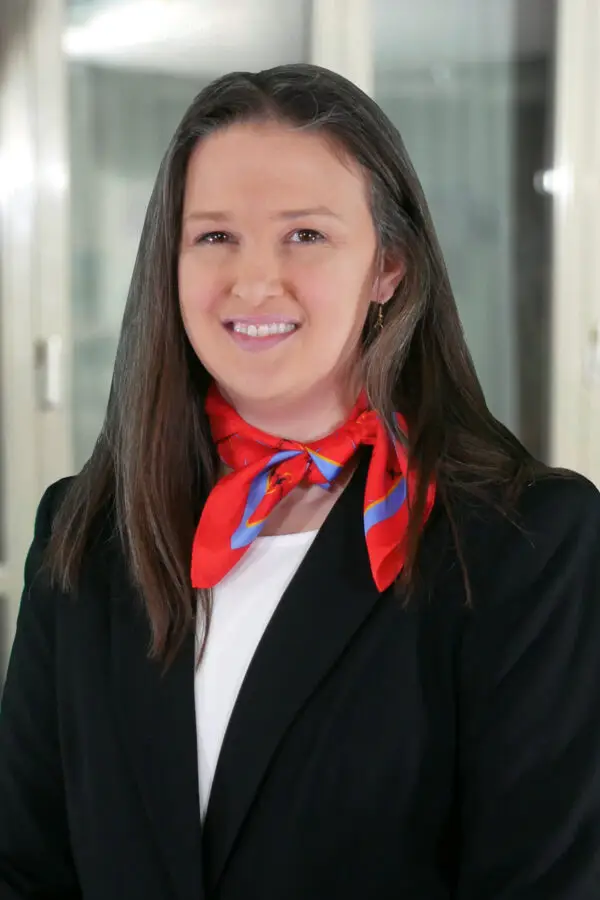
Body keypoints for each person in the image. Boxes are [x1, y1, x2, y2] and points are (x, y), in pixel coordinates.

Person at [1, 63, 599, 900]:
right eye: (214, 236)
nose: (252, 281)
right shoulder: (85, 527)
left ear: (389, 267)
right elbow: (27, 868)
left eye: (305, 235)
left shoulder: (528, 541)